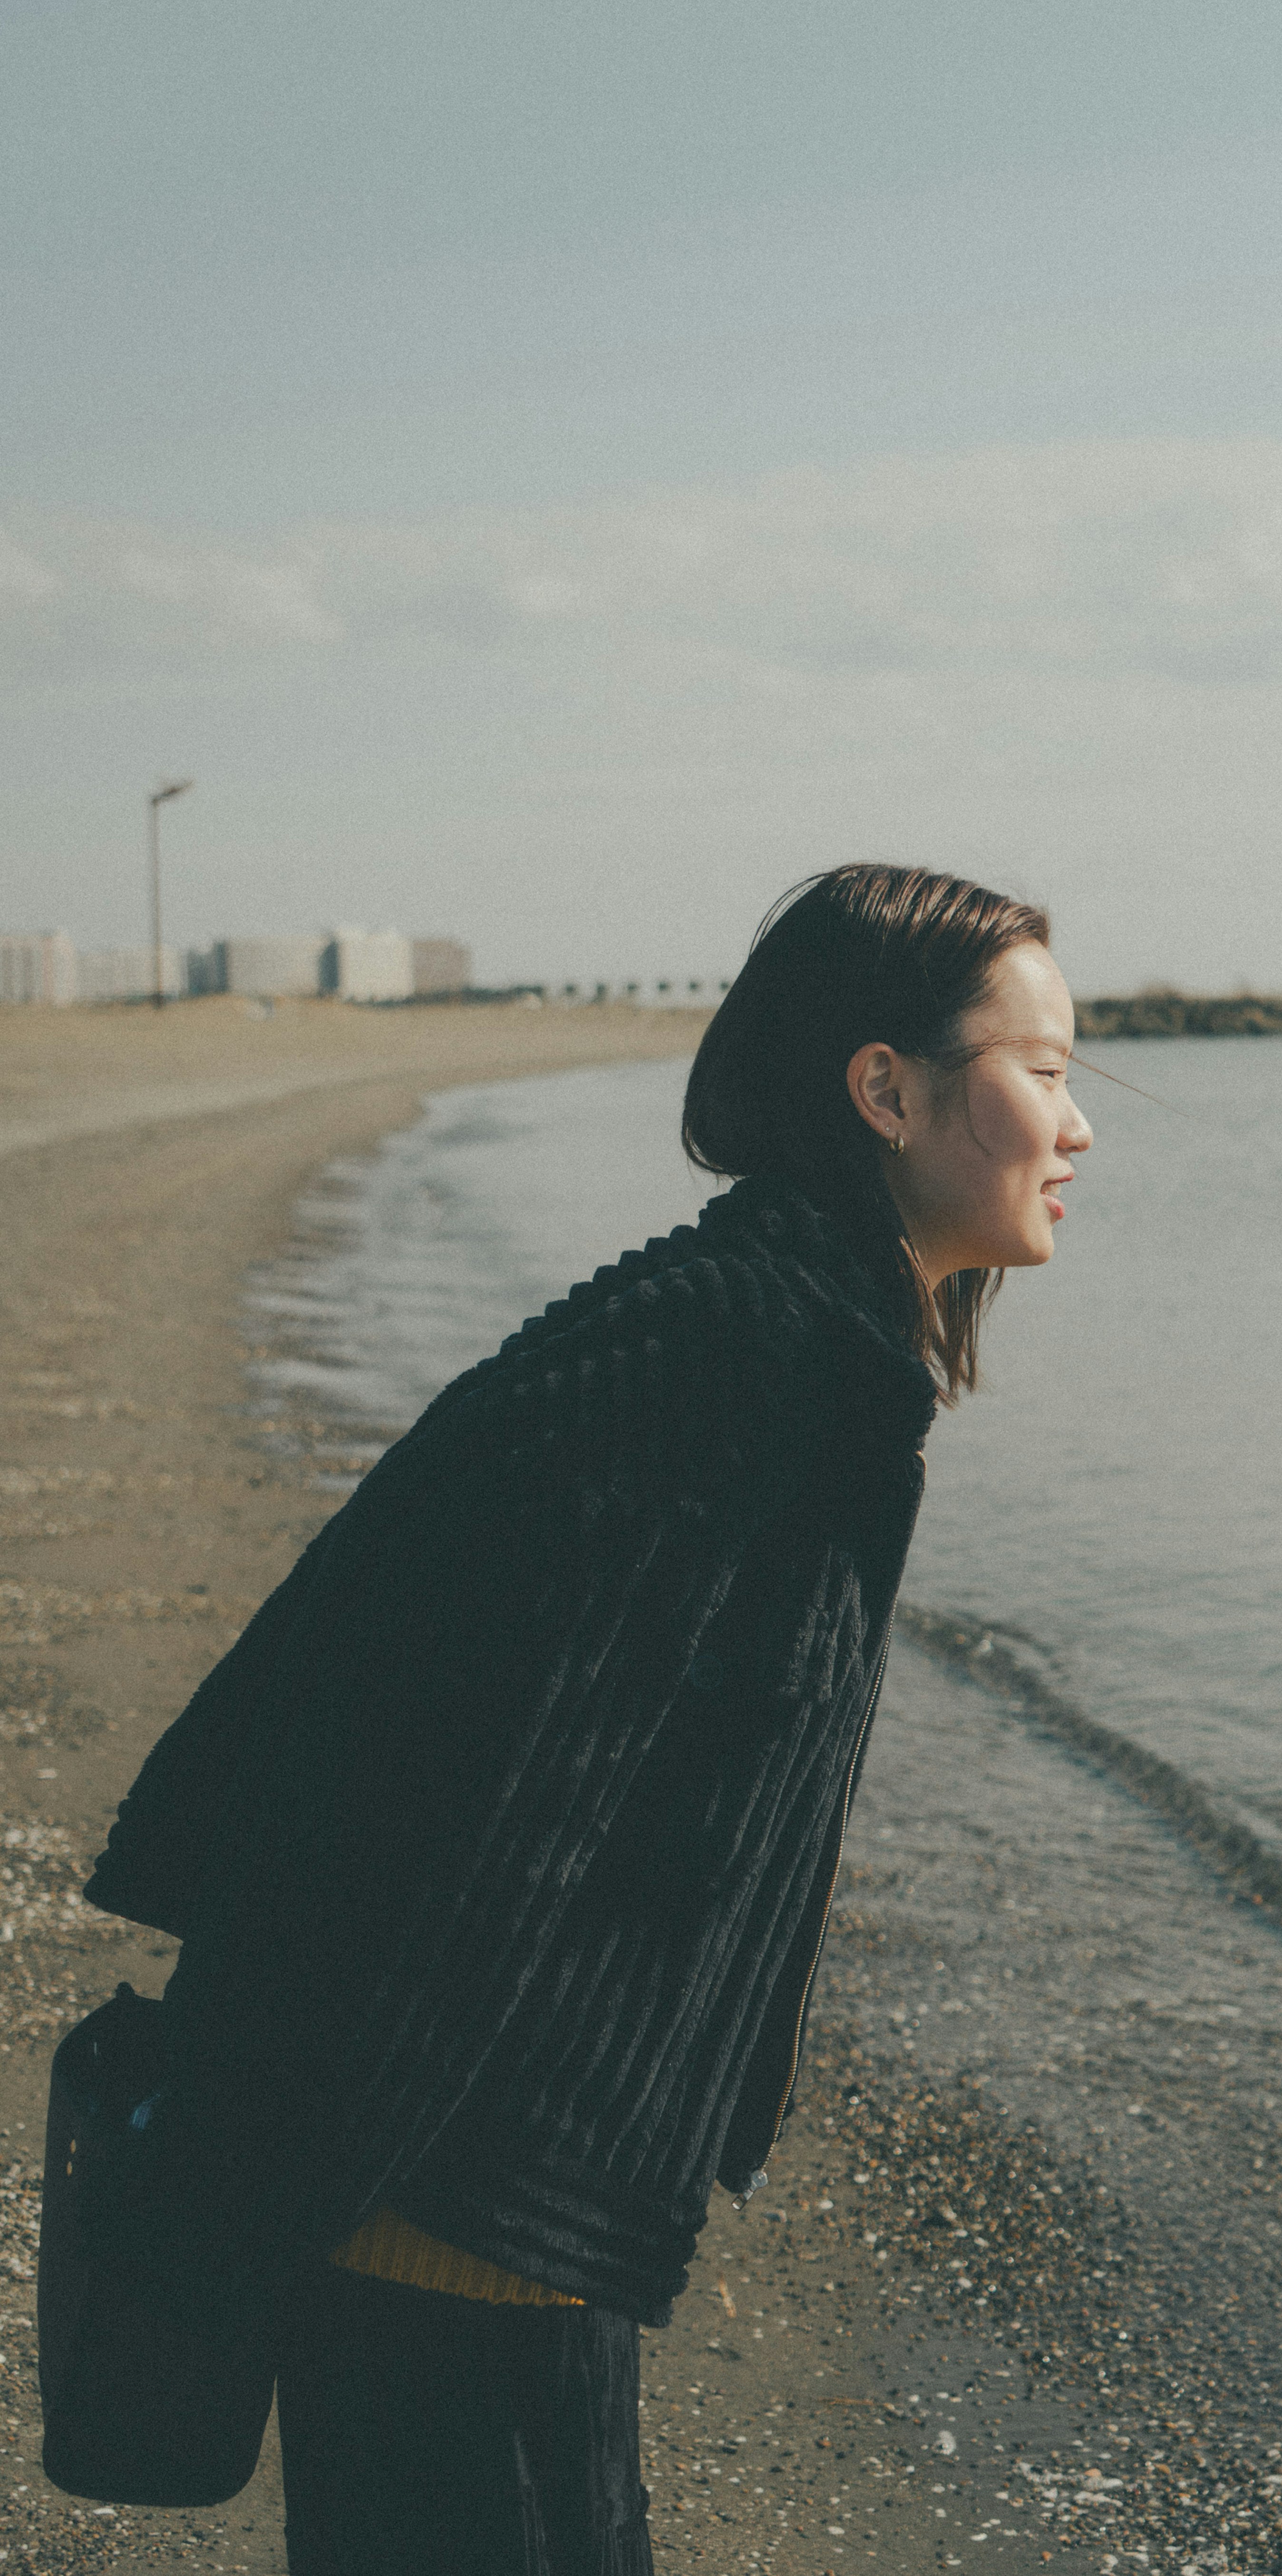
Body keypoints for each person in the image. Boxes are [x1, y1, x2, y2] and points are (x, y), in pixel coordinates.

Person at [79, 860, 1092, 2574]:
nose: (1075, 1127)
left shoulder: (769, 1325)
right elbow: (486, 1815)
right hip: (456, 2223)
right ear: (886, 1088)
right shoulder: (750, 1366)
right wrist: (279, 2212)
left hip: (495, 2208)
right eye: (1046, 1071)